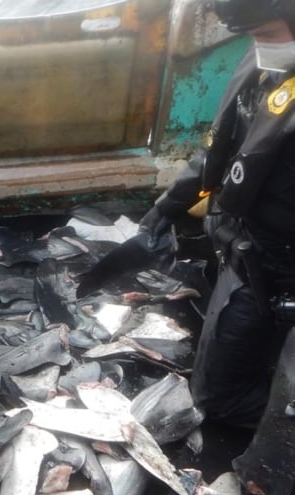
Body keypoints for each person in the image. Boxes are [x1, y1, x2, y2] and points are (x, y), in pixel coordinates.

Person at [139, 0, 295, 490]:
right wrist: (165, 208)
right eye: (251, 35)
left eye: (268, 30)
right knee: (211, 390)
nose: (262, 44)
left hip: (282, 267)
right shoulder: (269, 62)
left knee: (219, 403)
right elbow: (220, 146)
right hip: (242, 248)